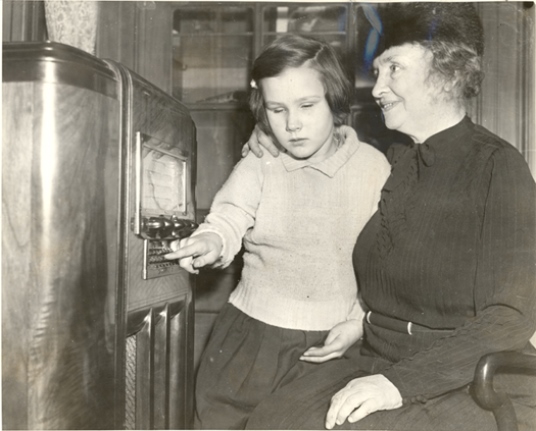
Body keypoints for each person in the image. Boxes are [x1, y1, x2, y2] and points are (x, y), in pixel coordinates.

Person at [243, 3, 536, 431]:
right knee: (272, 418)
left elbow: (510, 317)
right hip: (382, 362)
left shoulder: (498, 167)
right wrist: (265, 135)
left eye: (393, 68)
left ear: (448, 70)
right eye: (377, 71)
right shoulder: (399, 162)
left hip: (465, 380)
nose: (377, 88)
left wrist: (396, 385)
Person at [165, 34, 391, 429]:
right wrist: (210, 240)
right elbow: (230, 216)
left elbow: (385, 260)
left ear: (334, 100)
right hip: (251, 339)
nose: (292, 125)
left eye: (307, 105)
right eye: (277, 109)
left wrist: (358, 321)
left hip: (334, 344)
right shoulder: (260, 163)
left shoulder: (373, 168)